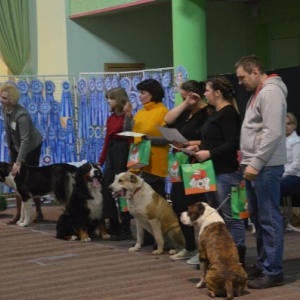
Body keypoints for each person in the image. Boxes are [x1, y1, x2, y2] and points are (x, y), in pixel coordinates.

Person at [235, 55, 287, 289]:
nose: (240, 82)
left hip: (265, 166)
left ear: (255, 71)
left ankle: (274, 271)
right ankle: (265, 262)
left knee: (269, 219)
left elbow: (273, 132)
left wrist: (255, 162)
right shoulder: (259, 92)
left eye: (242, 77)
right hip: (256, 164)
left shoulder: (270, 92)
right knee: (258, 219)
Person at [190, 76, 246, 268]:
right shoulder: (215, 113)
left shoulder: (228, 113)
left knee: (231, 217)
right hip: (211, 172)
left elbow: (232, 143)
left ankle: (237, 259)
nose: (204, 94)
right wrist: (199, 148)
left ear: (217, 93)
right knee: (215, 215)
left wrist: (209, 153)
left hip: (225, 172)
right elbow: (212, 140)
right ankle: (219, 256)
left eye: (206, 90)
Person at [164, 80, 214, 264]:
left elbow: (211, 138)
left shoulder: (208, 112)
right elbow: (168, 120)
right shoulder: (185, 111)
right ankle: (189, 246)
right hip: (180, 162)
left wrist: (192, 144)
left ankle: (202, 249)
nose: (183, 99)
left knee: (196, 205)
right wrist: (185, 104)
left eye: (185, 95)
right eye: (182, 97)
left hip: (197, 164)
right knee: (178, 203)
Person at [123, 78, 169, 246]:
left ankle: (164, 239)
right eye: (139, 93)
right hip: (138, 162)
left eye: (143, 93)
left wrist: (147, 139)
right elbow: (128, 132)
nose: (140, 96)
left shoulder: (163, 111)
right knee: (140, 203)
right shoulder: (141, 112)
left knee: (155, 204)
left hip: (155, 163)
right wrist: (128, 116)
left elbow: (166, 139)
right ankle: (149, 238)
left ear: (153, 94)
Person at [0, 83, 44, 224]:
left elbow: (25, 140)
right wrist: (9, 146)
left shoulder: (22, 115)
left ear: (12, 99)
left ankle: (39, 212)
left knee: (32, 180)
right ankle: (18, 214)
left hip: (31, 147)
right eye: (1, 96)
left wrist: (19, 162)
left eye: (4, 98)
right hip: (16, 146)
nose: (1, 99)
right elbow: (8, 130)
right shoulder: (4, 109)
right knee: (15, 179)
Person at [98, 87, 133, 241]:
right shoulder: (111, 118)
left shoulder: (128, 117)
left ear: (118, 100)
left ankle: (126, 226)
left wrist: (132, 160)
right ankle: (113, 222)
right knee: (108, 187)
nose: (108, 101)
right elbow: (107, 139)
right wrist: (101, 159)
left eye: (111, 98)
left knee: (122, 188)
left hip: (123, 151)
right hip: (112, 151)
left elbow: (130, 138)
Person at [281, 112, 300, 198]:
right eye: (283, 124)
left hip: (295, 176)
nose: (285, 126)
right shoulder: (279, 141)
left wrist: (283, 174)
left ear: (294, 126)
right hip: (282, 174)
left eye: (289, 124)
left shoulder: (297, 141)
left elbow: (297, 164)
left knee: (273, 187)